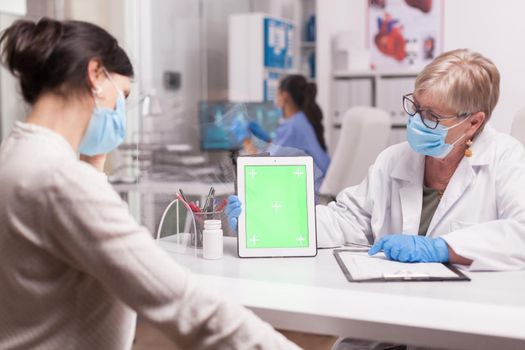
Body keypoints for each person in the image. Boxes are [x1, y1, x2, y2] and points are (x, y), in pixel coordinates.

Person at [0, 18, 300, 350]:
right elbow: (187, 306)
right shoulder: (59, 182)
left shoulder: (14, 154)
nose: (120, 114)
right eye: (122, 96)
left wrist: (94, 168)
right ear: (95, 75)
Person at [228, 48, 525, 272]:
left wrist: (442, 248)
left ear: (473, 122)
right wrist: (267, 219)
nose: (417, 122)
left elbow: (521, 233)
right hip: (391, 305)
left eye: (432, 116)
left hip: (464, 316)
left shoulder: (506, 159)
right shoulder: (395, 159)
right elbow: (347, 219)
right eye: (416, 107)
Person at [233, 75, 331, 185]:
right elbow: (285, 150)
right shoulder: (301, 120)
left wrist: (245, 140)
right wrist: (268, 139)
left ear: (284, 96)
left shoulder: (292, 126)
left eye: (277, 93)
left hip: (313, 192)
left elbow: (263, 168)